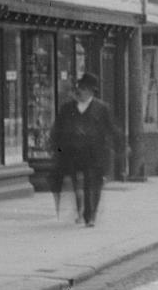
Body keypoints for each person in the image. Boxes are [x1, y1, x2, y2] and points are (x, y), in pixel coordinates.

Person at [49, 73, 119, 228]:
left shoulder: (102, 108)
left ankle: (90, 216)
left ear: (91, 91)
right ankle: (81, 211)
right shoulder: (67, 108)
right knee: (76, 185)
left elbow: (111, 129)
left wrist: (119, 146)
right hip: (72, 153)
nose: (79, 92)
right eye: (78, 88)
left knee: (91, 184)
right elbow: (58, 129)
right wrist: (55, 146)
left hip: (94, 154)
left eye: (83, 89)